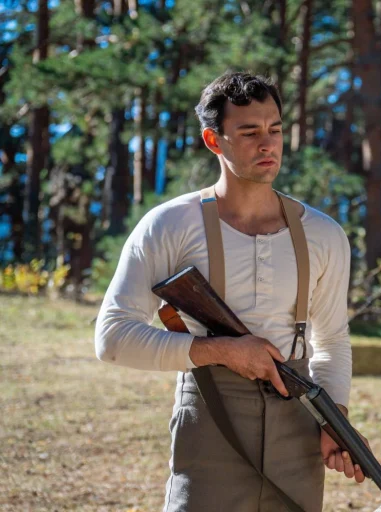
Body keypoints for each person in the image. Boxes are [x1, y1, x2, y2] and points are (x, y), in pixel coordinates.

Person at [94, 71, 366, 512]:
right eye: (249, 131)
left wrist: (336, 419)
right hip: (210, 419)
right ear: (213, 140)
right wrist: (222, 351)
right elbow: (112, 338)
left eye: (275, 129)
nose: (268, 144)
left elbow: (331, 340)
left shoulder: (324, 234)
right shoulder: (169, 225)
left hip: (297, 424)